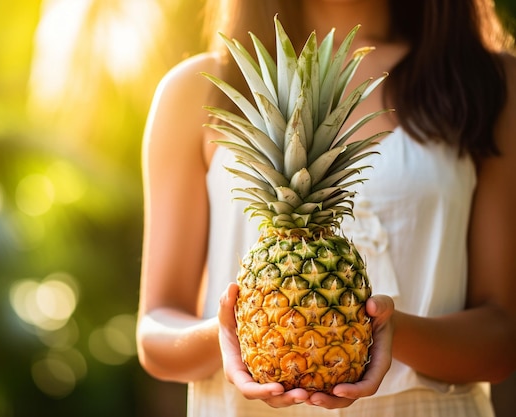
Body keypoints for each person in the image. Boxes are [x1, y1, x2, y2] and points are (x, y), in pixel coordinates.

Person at [136, 0, 516, 415]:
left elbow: (503, 336)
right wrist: (239, 331)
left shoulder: (492, 83)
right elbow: (156, 330)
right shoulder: (197, 88)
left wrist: (381, 329)